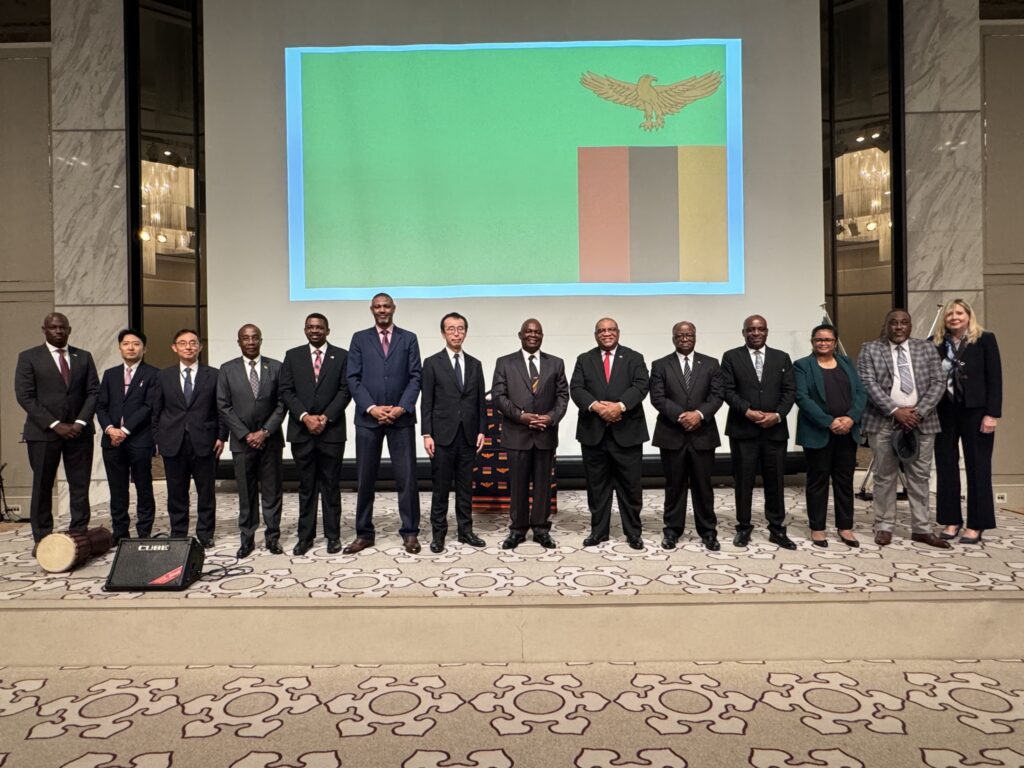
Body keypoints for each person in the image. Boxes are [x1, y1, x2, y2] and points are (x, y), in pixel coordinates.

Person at [857, 309, 948, 548]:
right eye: (893, 323)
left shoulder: (926, 348)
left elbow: (939, 382)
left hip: (922, 421)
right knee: (884, 476)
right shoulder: (870, 348)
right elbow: (867, 382)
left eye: (904, 323)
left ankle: (922, 529)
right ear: (886, 325)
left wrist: (917, 413)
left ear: (910, 326)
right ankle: (884, 526)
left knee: (920, 476)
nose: (898, 327)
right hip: (884, 420)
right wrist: (895, 411)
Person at [345, 293, 422, 554]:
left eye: (386, 306)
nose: (382, 310)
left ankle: (410, 532)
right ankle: (364, 533)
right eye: (377, 307)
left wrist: (401, 408)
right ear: (371, 310)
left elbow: (415, 377)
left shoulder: (408, 338)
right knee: (365, 478)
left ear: (394, 308)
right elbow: (353, 378)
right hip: (368, 420)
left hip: (402, 419)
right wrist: (372, 408)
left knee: (407, 478)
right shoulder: (359, 338)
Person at [14, 313, 100, 551]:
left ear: (69, 330)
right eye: (53, 328)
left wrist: (80, 422)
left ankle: (79, 535)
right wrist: (55, 424)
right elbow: (25, 396)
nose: (58, 331)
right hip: (43, 433)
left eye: (62, 327)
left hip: (79, 432)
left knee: (79, 484)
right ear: (44, 330)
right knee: (42, 485)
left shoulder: (83, 357)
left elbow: (94, 391)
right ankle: (42, 538)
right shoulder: (29, 357)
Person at [570, 318, 650, 550]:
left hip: (628, 432)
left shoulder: (634, 357)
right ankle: (599, 532)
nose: (607, 334)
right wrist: (597, 407)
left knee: (631, 487)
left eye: (611, 330)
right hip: (594, 433)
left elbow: (641, 385)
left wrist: (619, 407)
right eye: (602, 331)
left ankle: (633, 533)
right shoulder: (584, 359)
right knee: (597, 487)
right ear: (596, 334)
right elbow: (576, 388)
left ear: (618, 332)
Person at [720, 314, 797, 549]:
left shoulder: (781, 358)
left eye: (760, 329)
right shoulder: (731, 357)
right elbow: (727, 390)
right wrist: (748, 411)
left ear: (766, 331)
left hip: (774, 430)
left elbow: (790, 390)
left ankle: (777, 529)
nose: (755, 333)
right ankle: (743, 528)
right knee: (743, 482)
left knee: (775, 481)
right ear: (743, 332)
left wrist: (777, 415)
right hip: (743, 430)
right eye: (750, 329)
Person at [491, 318, 569, 549]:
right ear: (520, 335)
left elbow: (563, 396)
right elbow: (499, 396)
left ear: (542, 336)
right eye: (528, 331)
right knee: (518, 485)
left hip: (545, 434)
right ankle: (517, 530)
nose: (533, 335)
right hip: (517, 433)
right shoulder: (505, 363)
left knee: (544, 486)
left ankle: (541, 529)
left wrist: (551, 417)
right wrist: (521, 416)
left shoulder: (556, 363)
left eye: (537, 332)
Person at [279, 313, 350, 556]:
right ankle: (305, 537)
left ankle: (333, 537)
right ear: (305, 330)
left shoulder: (342, 356)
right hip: (302, 432)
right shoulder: (293, 355)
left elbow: (345, 390)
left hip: (331, 432)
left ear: (328, 330)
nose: (315, 331)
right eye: (310, 327)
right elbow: (286, 391)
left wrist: (325, 417)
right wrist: (305, 417)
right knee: (306, 487)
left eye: (320, 327)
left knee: (331, 486)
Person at [649, 321, 724, 551]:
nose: (684, 338)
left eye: (688, 334)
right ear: (673, 338)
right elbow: (657, 398)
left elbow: (717, 395)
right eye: (679, 335)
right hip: (672, 433)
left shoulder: (711, 364)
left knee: (704, 486)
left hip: (703, 434)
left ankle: (708, 532)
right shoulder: (660, 364)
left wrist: (699, 415)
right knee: (674, 486)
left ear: (695, 337)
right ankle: (672, 530)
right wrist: (683, 416)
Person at [932, 298, 1002, 544]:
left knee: (978, 467)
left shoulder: (985, 340)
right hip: (945, 412)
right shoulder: (936, 343)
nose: (954, 317)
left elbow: (995, 379)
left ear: (968, 316)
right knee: (946, 466)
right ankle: (952, 520)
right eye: (950, 314)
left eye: (959, 313)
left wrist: (992, 414)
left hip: (976, 412)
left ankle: (976, 524)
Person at [793, 324, 867, 548]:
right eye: (818, 339)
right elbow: (802, 397)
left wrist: (851, 418)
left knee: (844, 482)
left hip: (847, 432)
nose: (822, 343)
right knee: (818, 481)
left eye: (827, 340)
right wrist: (829, 421)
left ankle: (845, 527)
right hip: (818, 432)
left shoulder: (846, 362)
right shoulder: (802, 365)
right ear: (812, 342)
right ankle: (817, 528)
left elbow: (860, 392)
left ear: (835, 342)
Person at [151, 329, 225, 547]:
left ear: (200, 347)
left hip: (206, 441)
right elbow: (156, 411)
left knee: (206, 491)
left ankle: (205, 532)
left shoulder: (214, 374)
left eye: (193, 343)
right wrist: (158, 438)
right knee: (176, 492)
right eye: (182, 343)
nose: (188, 347)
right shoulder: (163, 376)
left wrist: (222, 436)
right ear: (174, 348)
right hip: (173, 442)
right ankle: (178, 531)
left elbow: (221, 408)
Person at [217, 324, 286, 558]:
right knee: (246, 493)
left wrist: (264, 431)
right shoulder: (227, 370)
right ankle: (247, 538)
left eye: (255, 337)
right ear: (239, 342)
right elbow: (223, 406)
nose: (250, 342)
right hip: (242, 442)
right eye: (245, 338)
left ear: (261, 340)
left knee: (272, 491)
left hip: (271, 441)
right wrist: (246, 434)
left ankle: (273, 537)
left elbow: (282, 403)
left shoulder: (276, 367)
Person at [420, 312, 487, 553]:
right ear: (443, 333)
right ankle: (438, 535)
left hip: (469, 436)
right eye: (451, 329)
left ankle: (465, 531)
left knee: (465, 487)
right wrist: (426, 434)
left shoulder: (475, 364)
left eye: (460, 329)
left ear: (465, 332)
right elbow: (426, 401)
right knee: (440, 488)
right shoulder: (432, 363)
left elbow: (480, 401)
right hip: (441, 437)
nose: (456, 333)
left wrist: (482, 430)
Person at [96, 329, 159, 544]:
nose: (131, 347)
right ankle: (120, 532)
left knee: (144, 487)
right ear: (119, 347)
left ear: (144, 348)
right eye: (126, 343)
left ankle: (144, 532)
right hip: (111, 441)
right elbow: (101, 406)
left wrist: (125, 430)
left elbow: (148, 406)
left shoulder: (153, 374)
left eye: (136, 344)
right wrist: (110, 429)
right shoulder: (110, 374)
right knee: (117, 489)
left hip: (140, 439)